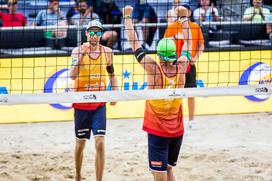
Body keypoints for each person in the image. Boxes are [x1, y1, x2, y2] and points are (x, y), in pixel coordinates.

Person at [123, 5, 192, 181]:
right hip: (177, 131)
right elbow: (189, 44)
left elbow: (134, 44)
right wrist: (184, 19)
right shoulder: (182, 66)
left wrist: (127, 17)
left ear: (160, 55)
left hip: (158, 131)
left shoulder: (154, 69)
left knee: (159, 174)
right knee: (169, 170)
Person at [69, 20, 118, 181]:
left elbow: (111, 73)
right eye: (92, 32)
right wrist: (83, 54)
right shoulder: (77, 51)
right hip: (81, 103)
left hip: (99, 104)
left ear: (101, 34)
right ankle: (77, 176)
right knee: (80, 144)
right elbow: (72, 76)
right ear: (86, 33)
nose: (95, 35)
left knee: (100, 143)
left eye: (98, 32)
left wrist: (114, 92)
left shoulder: (108, 52)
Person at [164, 4, 205, 129]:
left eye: (185, 11)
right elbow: (164, 43)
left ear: (189, 13)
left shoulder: (195, 27)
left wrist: (195, 58)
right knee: (175, 94)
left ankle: (191, 120)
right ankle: (175, 119)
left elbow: (201, 46)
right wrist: (174, 37)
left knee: (191, 93)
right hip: (175, 65)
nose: (182, 12)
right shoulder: (172, 27)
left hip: (189, 64)